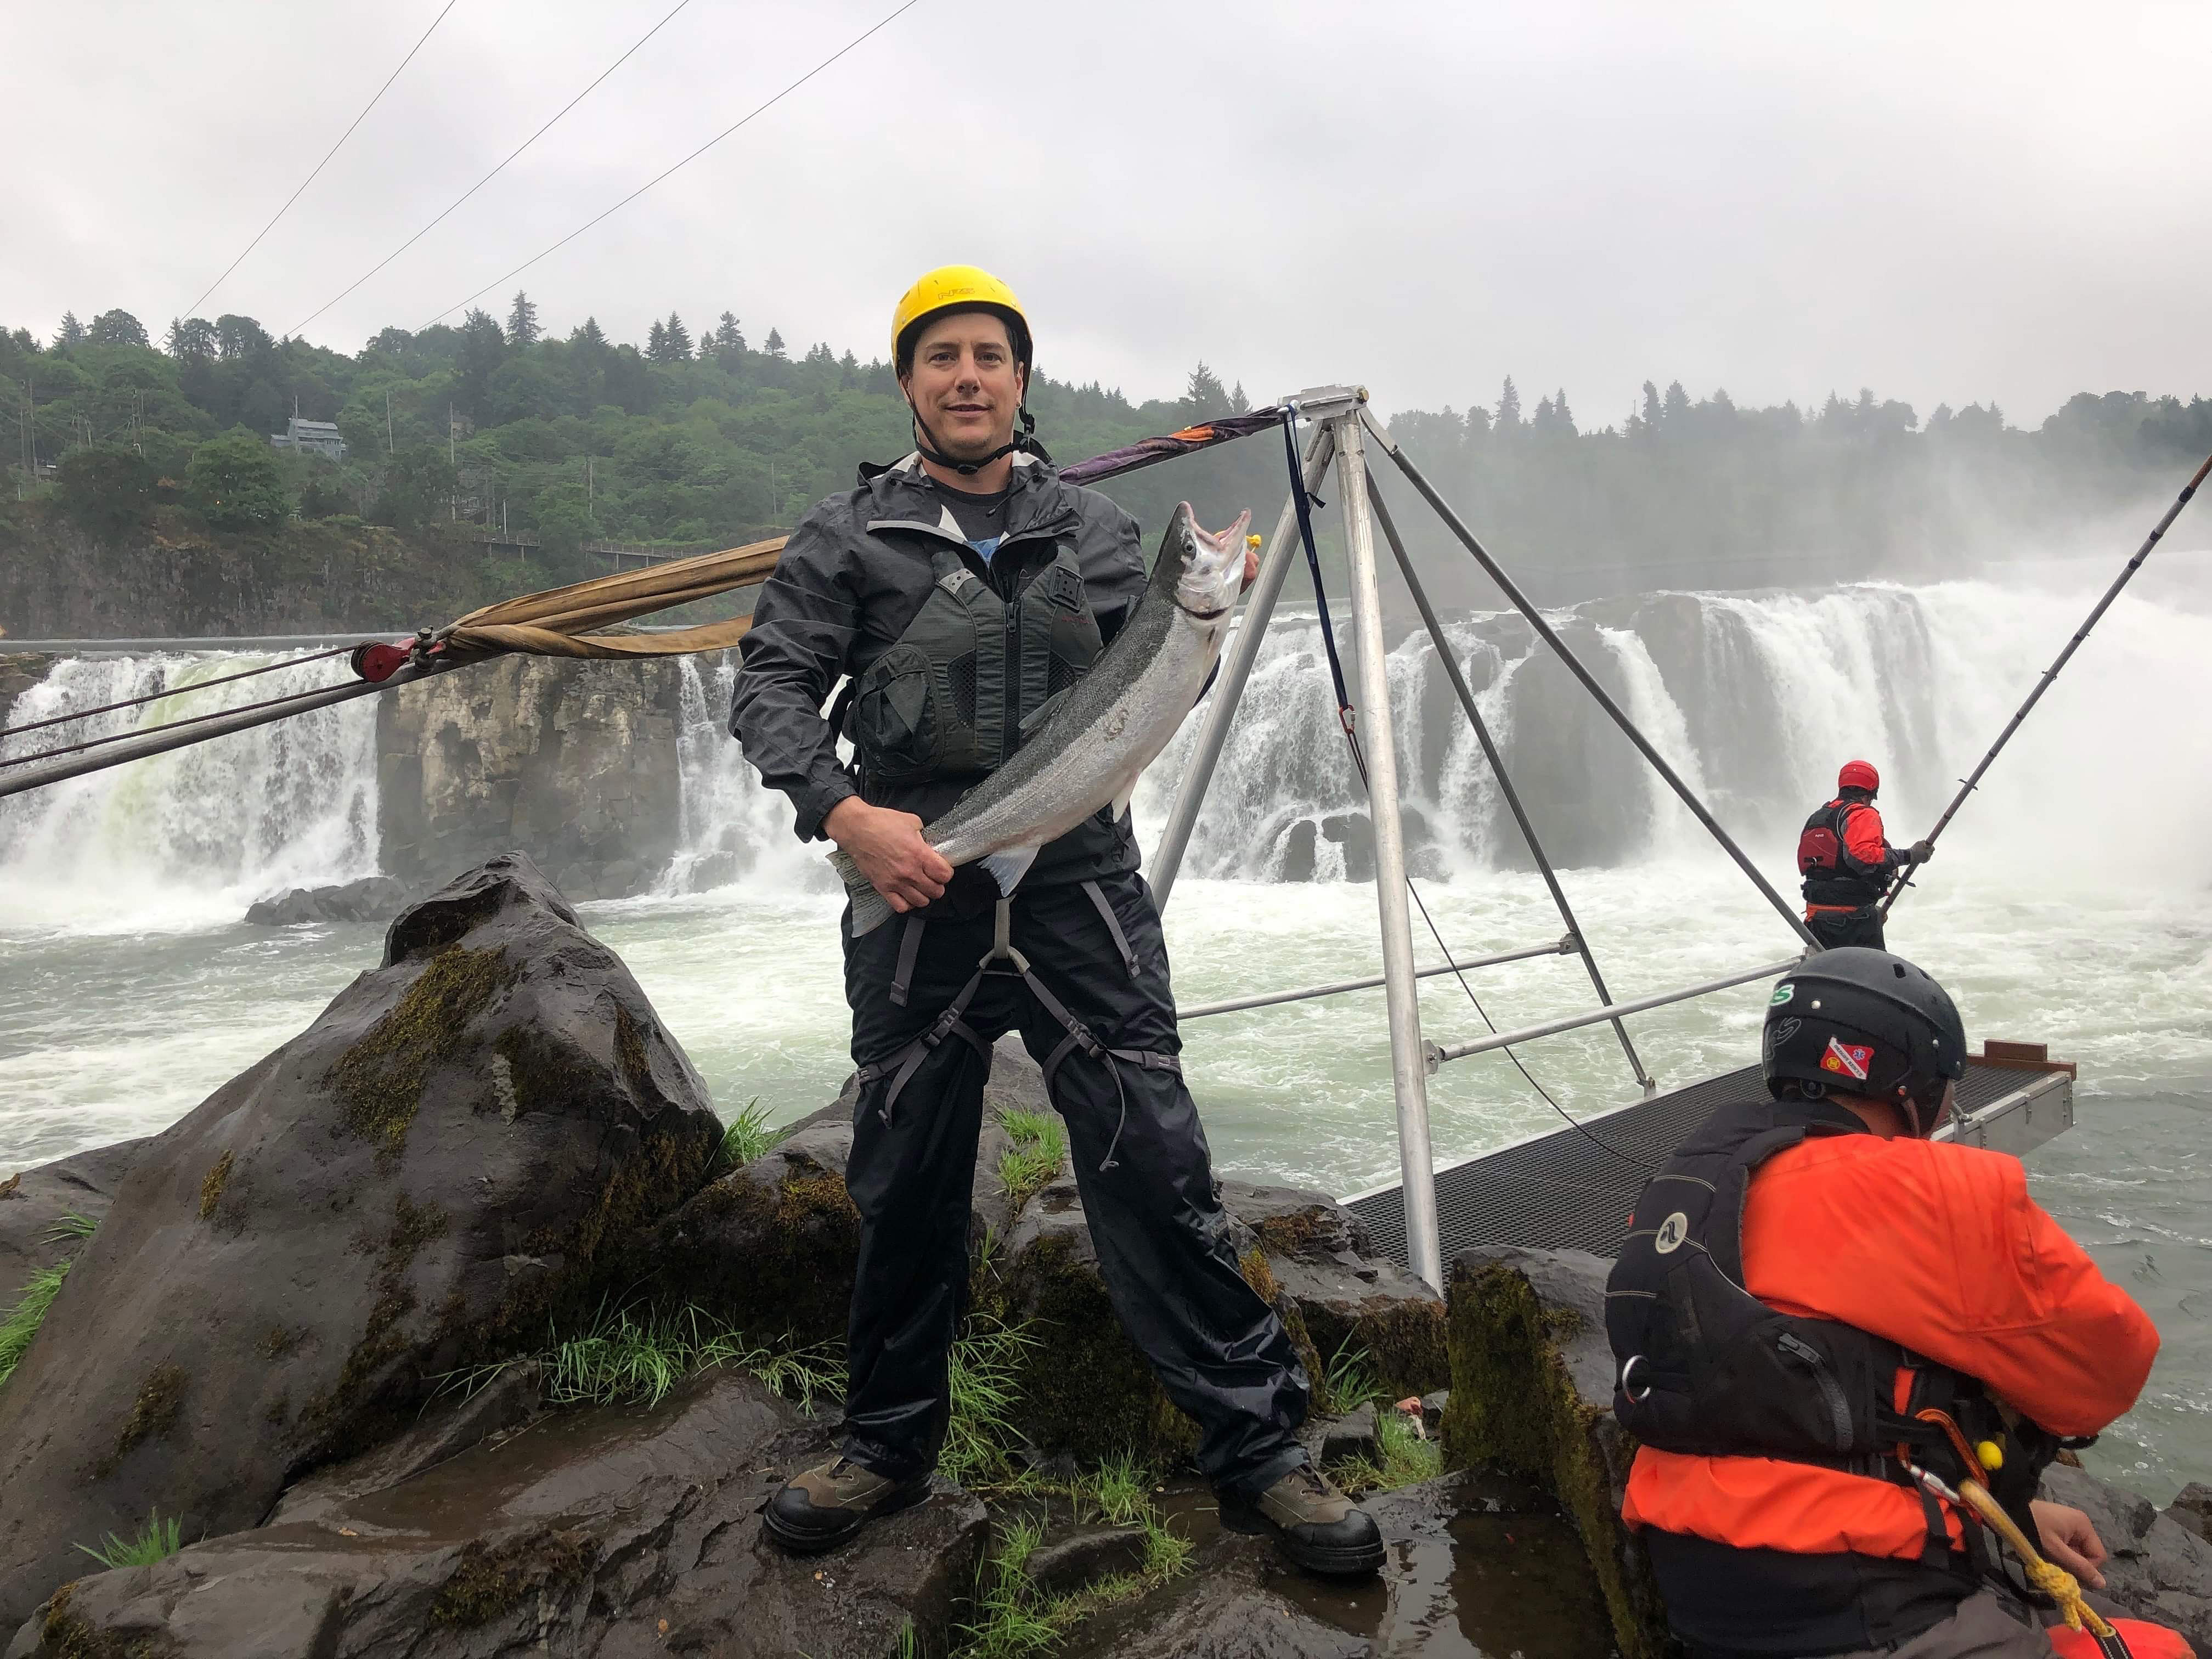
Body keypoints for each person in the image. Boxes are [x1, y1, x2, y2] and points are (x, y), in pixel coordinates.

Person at [729, 265, 1384, 1576]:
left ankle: (1260, 1452)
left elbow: (1158, 685)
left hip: (1082, 887)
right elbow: (771, 691)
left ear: (1022, 383)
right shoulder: (845, 538)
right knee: (906, 1176)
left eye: (990, 357)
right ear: (908, 385)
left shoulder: (1094, 534)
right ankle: (885, 1443)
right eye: (941, 359)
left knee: (1156, 1162)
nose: (967, 377)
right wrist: (846, 816)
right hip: (917, 882)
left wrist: (1196, 638)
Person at [1605, 947, 2188, 1659]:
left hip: (1697, 1585)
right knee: (2161, 1649)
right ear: (1913, 1085)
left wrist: (2013, 1517)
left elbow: (1788, 1410)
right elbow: (2108, 1370)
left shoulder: (1687, 1187)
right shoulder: (1936, 1192)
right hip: (1859, 1605)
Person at [1798, 760, 1932, 950]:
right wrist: (1910, 855)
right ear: (1870, 791)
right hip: (1853, 919)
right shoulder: (1862, 814)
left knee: (1829, 974)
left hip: (1817, 916)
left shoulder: (1819, 817)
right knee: (1871, 975)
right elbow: (1862, 855)